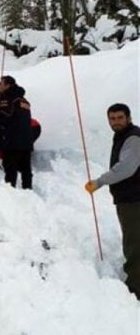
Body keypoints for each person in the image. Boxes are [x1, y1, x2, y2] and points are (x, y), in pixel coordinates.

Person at [85, 103, 140, 300]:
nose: (116, 122)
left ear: (128, 117)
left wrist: (99, 182)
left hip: (134, 200)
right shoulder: (124, 136)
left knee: (134, 243)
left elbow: (126, 168)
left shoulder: (133, 137)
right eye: (112, 118)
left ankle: (136, 288)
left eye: (119, 118)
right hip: (130, 198)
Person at [0, 75, 33, 189]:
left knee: (11, 168)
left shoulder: (8, 98)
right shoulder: (23, 100)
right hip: (26, 140)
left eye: (1, 84)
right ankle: (28, 191)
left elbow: (2, 117)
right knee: (26, 169)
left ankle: (10, 194)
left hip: (12, 140)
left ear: (8, 85)